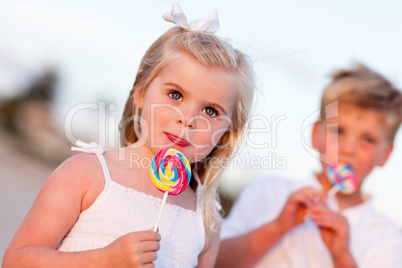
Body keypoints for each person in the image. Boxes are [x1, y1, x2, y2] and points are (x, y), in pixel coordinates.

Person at [3, 3, 255, 267]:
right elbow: (17, 260)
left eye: (210, 111)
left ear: (227, 133)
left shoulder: (205, 221)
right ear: (141, 91)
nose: (188, 119)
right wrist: (104, 259)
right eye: (175, 95)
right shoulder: (87, 174)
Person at [216, 63, 402, 268]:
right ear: (316, 135)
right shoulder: (268, 191)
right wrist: (278, 227)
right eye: (338, 131)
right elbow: (216, 262)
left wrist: (342, 257)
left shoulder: (387, 236)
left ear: (385, 154)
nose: (349, 149)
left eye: (368, 139)